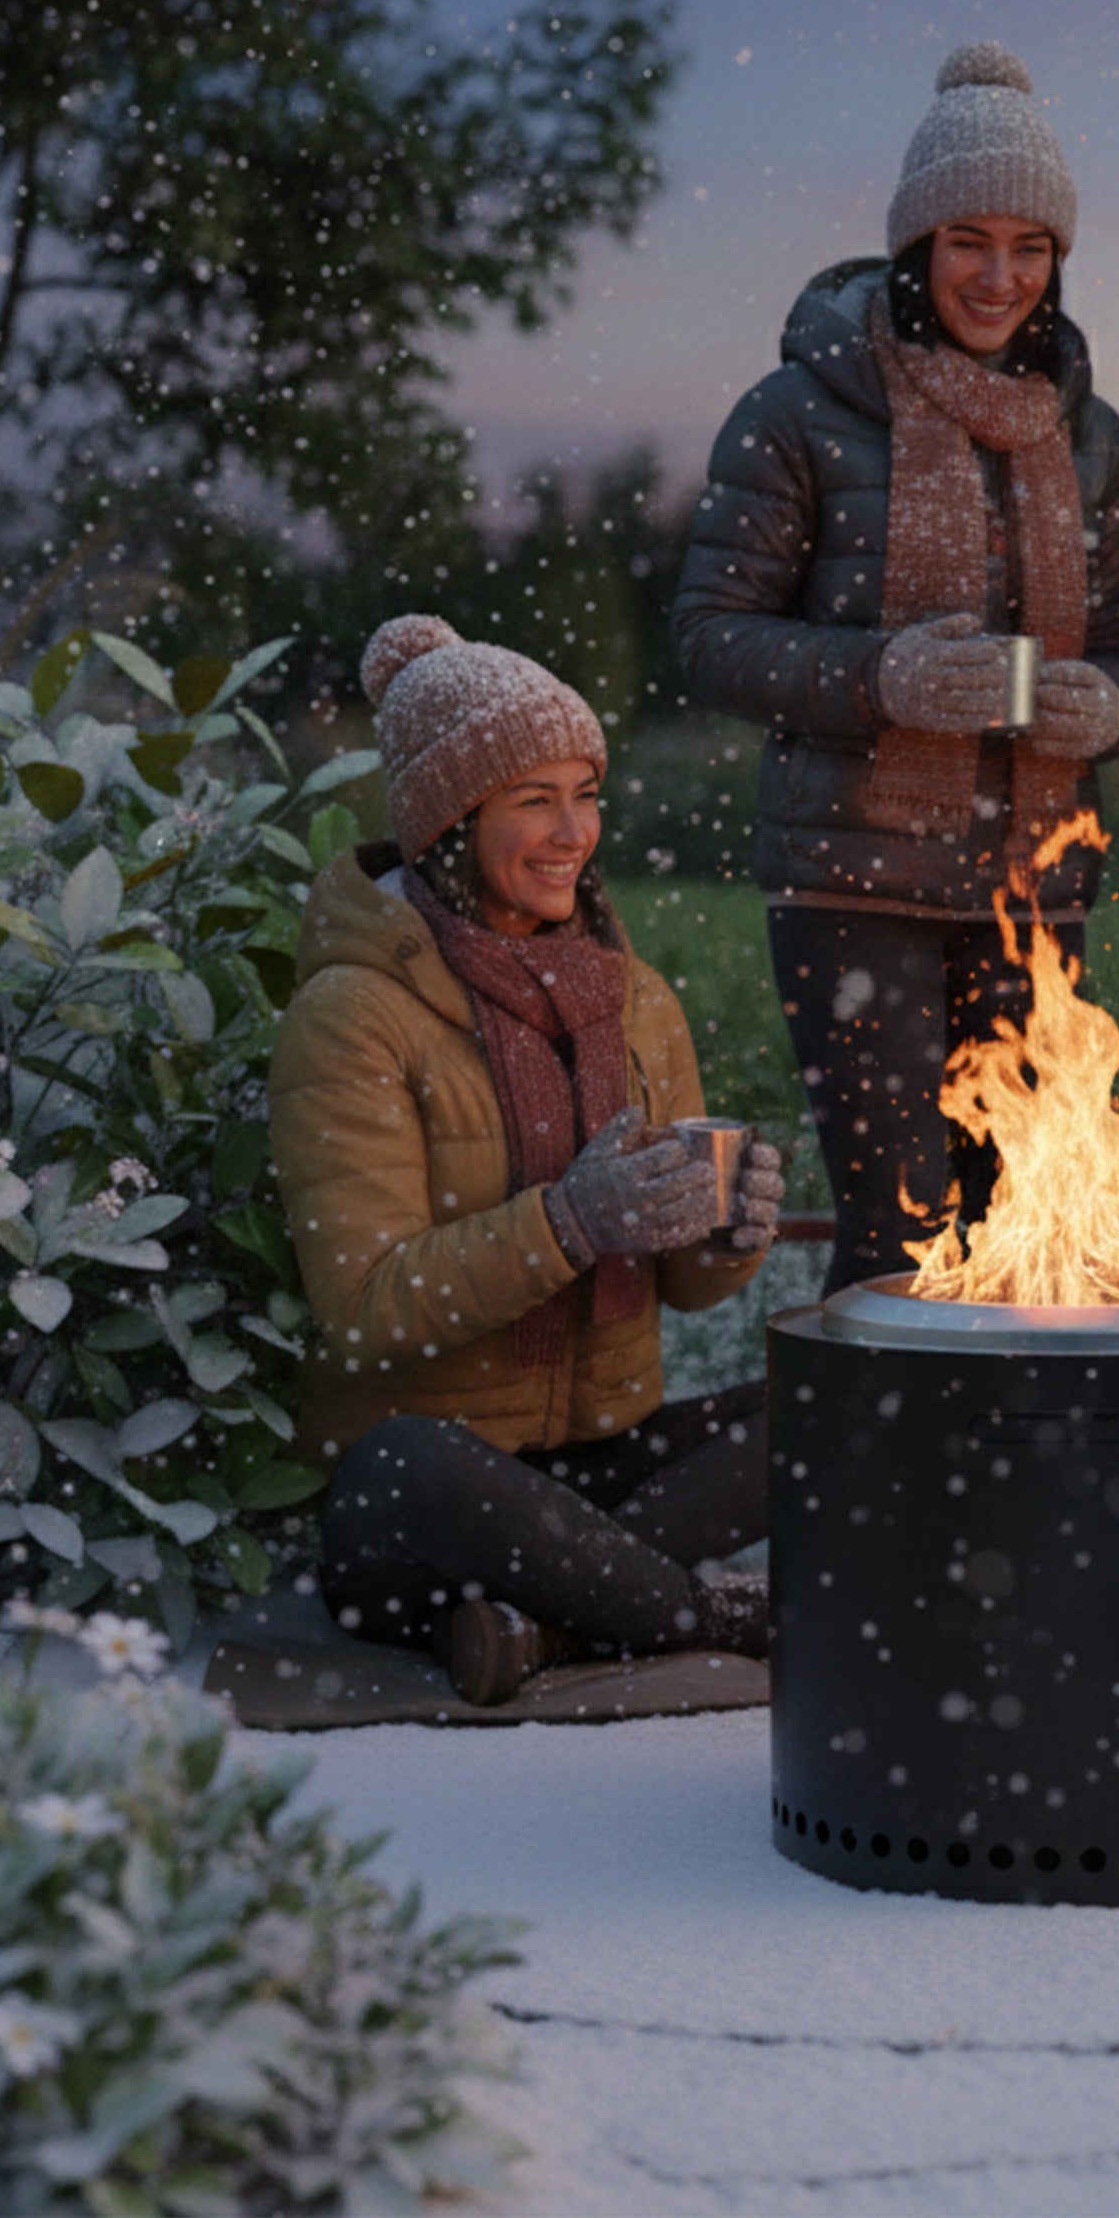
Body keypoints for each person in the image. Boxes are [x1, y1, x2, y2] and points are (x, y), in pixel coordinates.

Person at [674, 42, 1119, 1295]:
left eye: (1030, 248)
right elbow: (711, 633)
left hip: (1033, 896)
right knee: (898, 1233)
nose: (999, 277)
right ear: (913, 244)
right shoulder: (798, 411)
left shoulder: (1087, 436)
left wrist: (1111, 704)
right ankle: (875, 1485)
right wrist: (879, 677)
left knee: (1020, 1232)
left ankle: (996, 1487)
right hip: (854, 887)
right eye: (967, 242)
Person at [268, 614, 787, 1707]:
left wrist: (729, 1232)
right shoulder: (354, 1015)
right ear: (451, 822)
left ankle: (550, 1621)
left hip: (599, 1467)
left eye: (586, 793)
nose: (573, 832)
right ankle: (702, 1614)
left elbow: (685, 1287)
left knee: (832, 1402)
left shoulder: (634, 1001)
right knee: (405, 1462)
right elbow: (364, 1307)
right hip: (436, 1504)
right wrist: (571, 1223)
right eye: (533, 800)